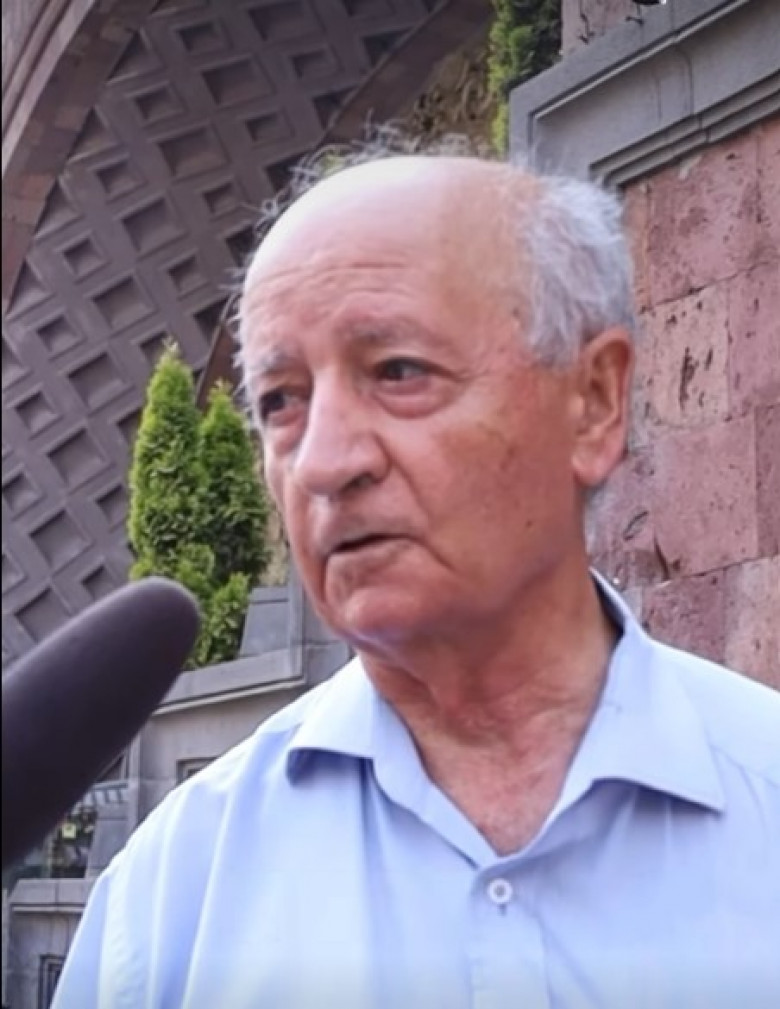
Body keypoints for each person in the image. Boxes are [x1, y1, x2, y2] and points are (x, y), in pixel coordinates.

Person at [52, 143, 779, 1009]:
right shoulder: (169, 902)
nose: (324, 461)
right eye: (281, 401)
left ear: (593, 400)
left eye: (398, 372)